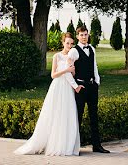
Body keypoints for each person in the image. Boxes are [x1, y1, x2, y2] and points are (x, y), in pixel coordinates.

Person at [14, 33, 82, 156]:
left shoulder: (72, 57)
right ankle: (51, 143)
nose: (69, 45)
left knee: (67, 113)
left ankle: (65, 144)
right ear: (63, 43)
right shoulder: (57, 56)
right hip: (57, 87)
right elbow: (53, 75)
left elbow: (72, 75)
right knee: (54, 113)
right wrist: (66, 70)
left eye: (72, 44)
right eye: (67, 43)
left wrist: (72, 72)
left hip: (68, 88)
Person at [72, 24, 110, 153]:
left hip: (92, 86)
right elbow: (68, 70)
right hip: (81, 87)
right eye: (81, 35)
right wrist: (75, 86)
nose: (84, 37)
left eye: (86, 34)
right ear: (77, 36)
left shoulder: (92, 48)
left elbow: (95, 66)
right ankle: (74, 146)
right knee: (78, 116)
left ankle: (96, 145)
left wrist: (97, 82)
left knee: (94, 116)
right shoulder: (74, 51)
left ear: (88, 35)